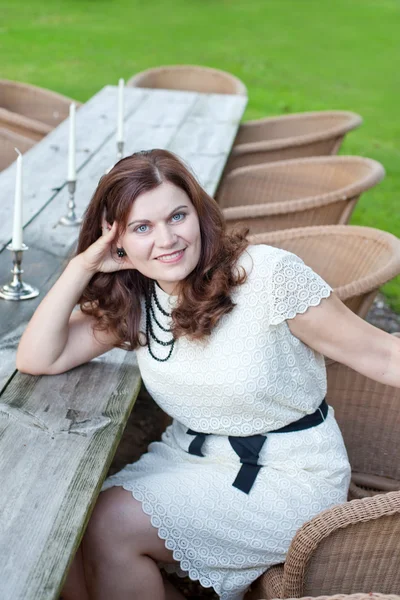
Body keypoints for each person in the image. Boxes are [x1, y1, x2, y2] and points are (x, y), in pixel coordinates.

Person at [16, 149, 400, 600]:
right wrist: (81, 266)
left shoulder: (268, 278)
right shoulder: (140, 299)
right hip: (192, 457)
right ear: (116, 241)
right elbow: (39, 357)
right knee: (69, 530)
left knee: (109, 527)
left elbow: (383, 356)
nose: (167, 239)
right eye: (142, 227)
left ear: (198, 214)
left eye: (177, 216)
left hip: (286, 474)